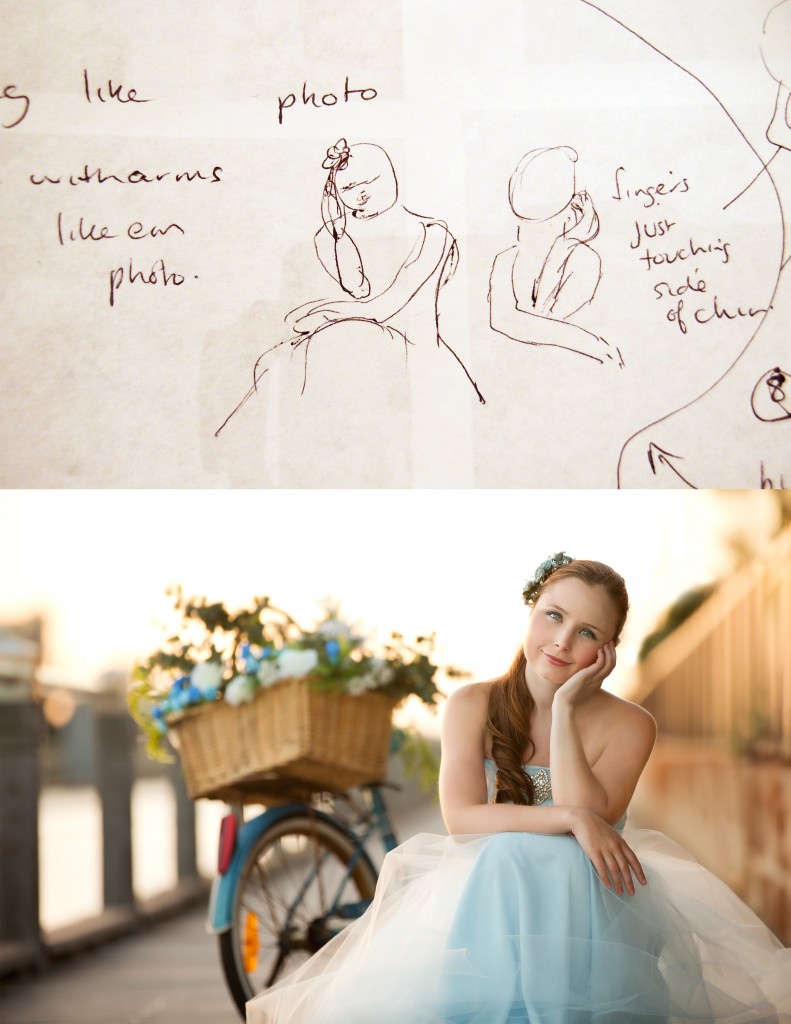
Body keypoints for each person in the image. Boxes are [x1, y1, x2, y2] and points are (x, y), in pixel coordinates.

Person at [247, 553, 791, 1023]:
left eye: (587, 633)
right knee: (505, 855)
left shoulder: (632, 725)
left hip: (590, 909)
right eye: (553, 616)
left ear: (607, 651)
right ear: (530, 613)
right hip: (493, 897)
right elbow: (462, 822)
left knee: (538, 858)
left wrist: (565, 709)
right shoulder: (471, 706)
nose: (561, 641)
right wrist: (571, 820)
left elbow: (592, 808)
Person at [489, 147, 622, 368]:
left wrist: (564, 246)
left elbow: (547, 316)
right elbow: (504, 320)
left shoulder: (584, 259)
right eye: (523, 225)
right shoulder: (505, 260)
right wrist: (591, 343)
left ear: (571, 217)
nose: (522, 234)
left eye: (539, 225)